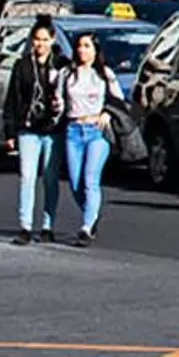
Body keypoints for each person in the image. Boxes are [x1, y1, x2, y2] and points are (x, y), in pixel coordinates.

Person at [1, 19, 68, 246]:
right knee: (27, 177)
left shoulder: (60, 64)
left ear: (52, 40)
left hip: (52, 129)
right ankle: (25, 226)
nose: (40, 44)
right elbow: (12, 99)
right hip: (28, 129)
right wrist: (10, 132)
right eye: (36, 40)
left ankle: (48, 225)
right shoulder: (22, 66)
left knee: (50, 178)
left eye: (44, 40)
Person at [58, 31, 120, 247]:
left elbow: (119, 102)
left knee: (90, 178)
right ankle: (91, 214)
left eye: (87, 46)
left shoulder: (105, 74)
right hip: (74, 130)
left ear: (95, 50)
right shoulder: (67, 74)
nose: (83, 50)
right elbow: (58, 100)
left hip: (96, 131)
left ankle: (86, 227)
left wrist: (106, 113)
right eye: (80, 46)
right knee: (76, 182)